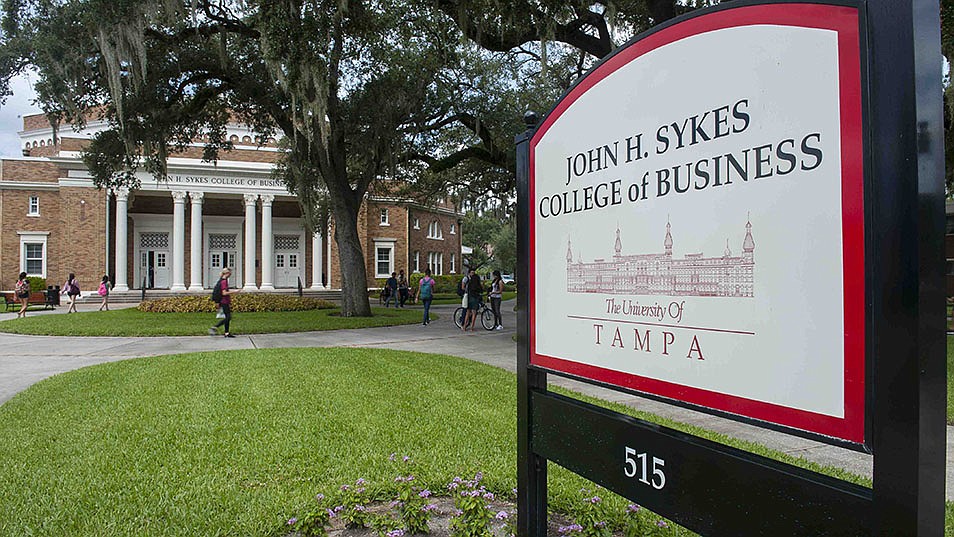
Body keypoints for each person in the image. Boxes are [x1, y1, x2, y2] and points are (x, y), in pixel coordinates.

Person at [209, 267, 240, 338]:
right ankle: (215, 327)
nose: (230, 275)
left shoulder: (221, 280)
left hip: (223, 301)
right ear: (227, 273)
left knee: (227, 317)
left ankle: (226, 333)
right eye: (230, 273)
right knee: (228, 317)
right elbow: (224, 293)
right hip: (224, 301)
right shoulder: (224, 281)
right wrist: (235, 291)